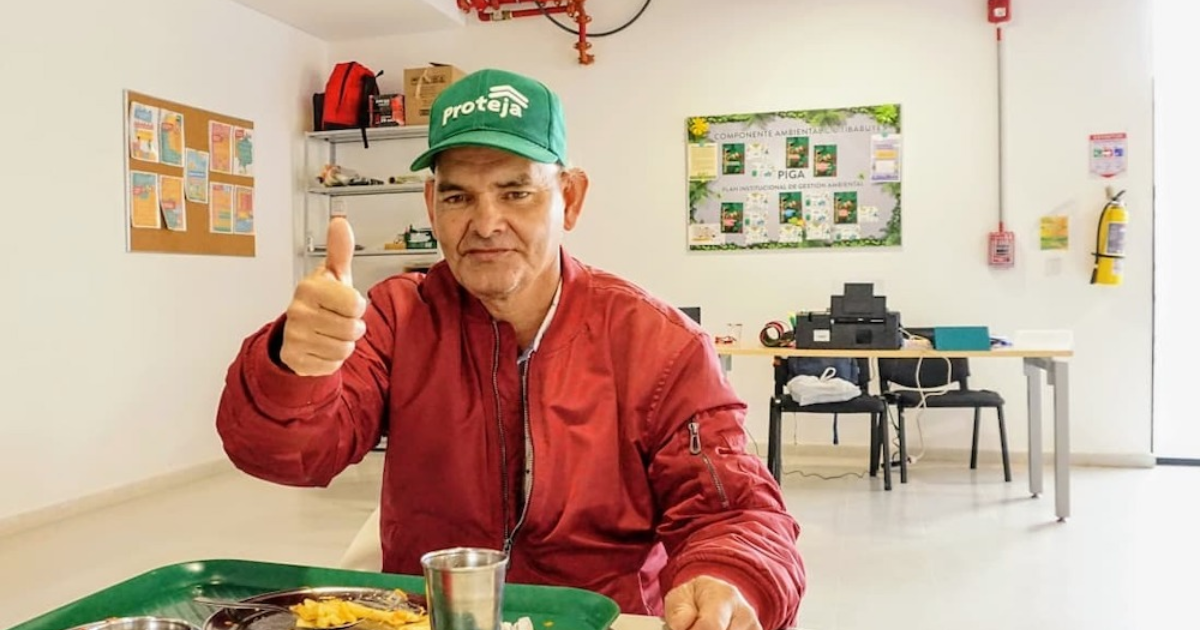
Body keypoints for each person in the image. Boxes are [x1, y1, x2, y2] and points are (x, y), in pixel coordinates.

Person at [215, 68, 806, 630]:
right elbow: (290, 456)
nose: (486, 222)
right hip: (429, 616)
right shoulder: (397, 317)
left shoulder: (657, 344)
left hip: (596, 618)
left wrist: (728, 576)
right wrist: (296, 370)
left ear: (569, 199)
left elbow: (733, 510)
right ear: (431, 206)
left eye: (516, 191)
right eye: (457, 198)